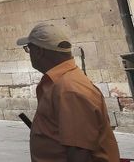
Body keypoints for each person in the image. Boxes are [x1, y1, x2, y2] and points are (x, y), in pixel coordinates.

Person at [17, 22, 120, 161]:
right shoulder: (62, 83)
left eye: (28, 49)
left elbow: (79, 152)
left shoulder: (69, 90)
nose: (29, 54)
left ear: (39, 52)